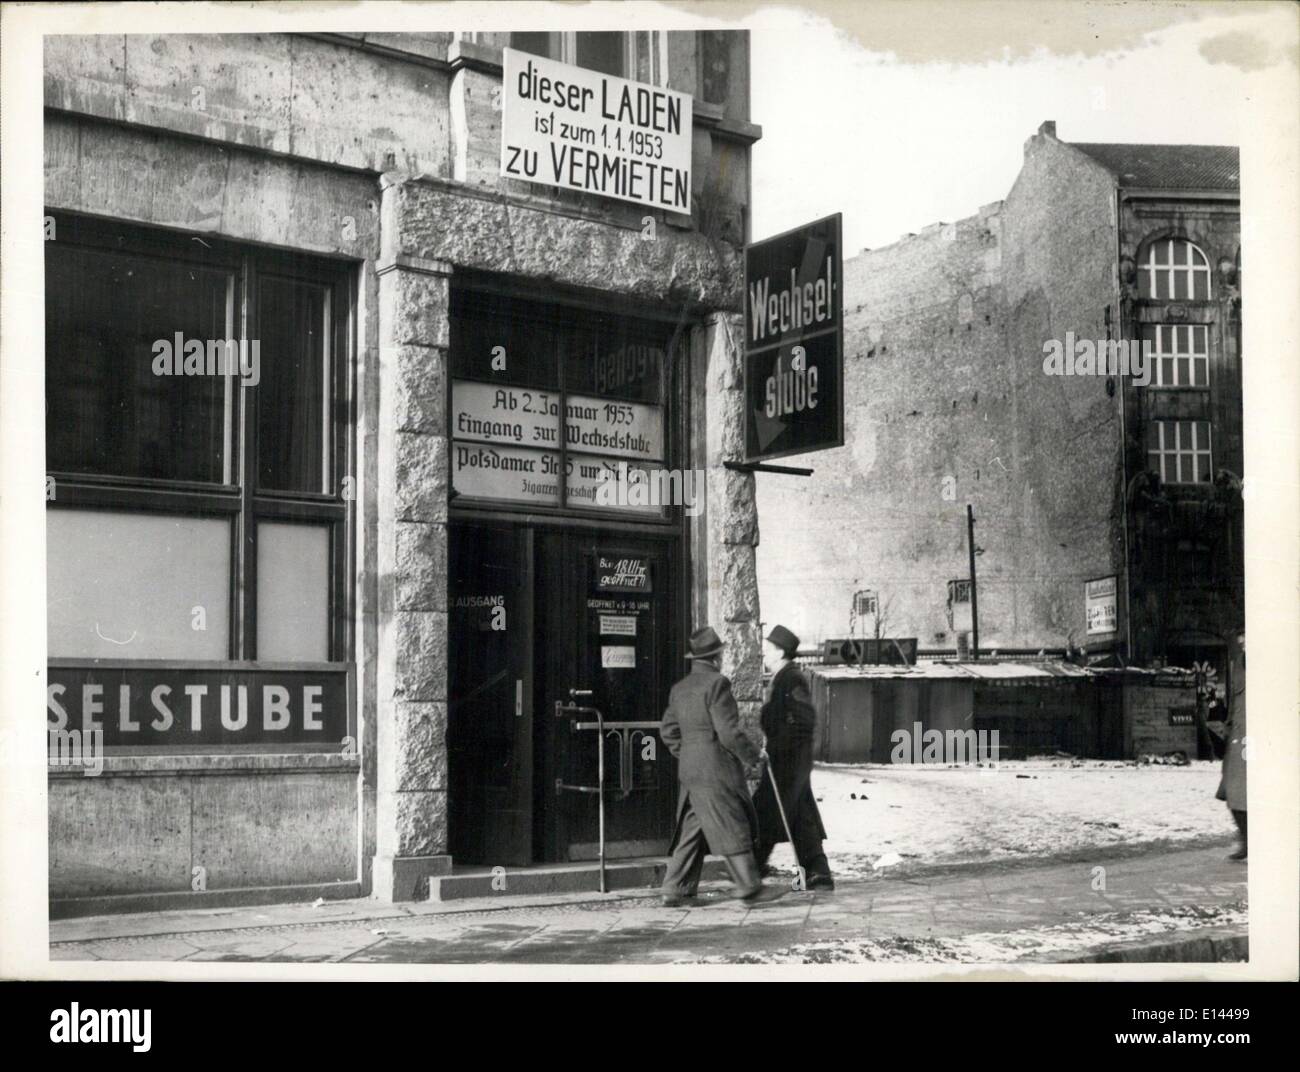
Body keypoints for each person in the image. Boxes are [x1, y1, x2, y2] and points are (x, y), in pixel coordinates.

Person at [659, 626, 781, 906]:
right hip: (715, 769)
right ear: (716, 657)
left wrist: (690, 753)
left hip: (690, 768)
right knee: (732, 821)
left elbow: (667, 732)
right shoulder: (717, 684)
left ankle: (674, 888)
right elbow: (728, 732)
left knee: (694, 827)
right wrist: (754, 756)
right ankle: (749, 886)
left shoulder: (680, 688)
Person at [752, 625, 834, 890]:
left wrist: (779, 745)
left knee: (771, 810)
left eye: (768, 648)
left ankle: (752, 869)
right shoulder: (782, 676)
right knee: (793, 813)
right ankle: (817, 872)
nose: (764, 653)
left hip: (789, 762)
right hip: (785, 761)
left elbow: (804, 721)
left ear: (779, 652)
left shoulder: (792, 678)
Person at [1215, 631, 1247, 860]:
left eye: (1247, 640)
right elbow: (1235, 701)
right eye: (1241, 642)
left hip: (1261, 739)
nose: (1243, 645)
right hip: (1238, 737)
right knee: (1232, 792)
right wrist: (1227, 726)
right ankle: (1247, 839)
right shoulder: (1237, 665)